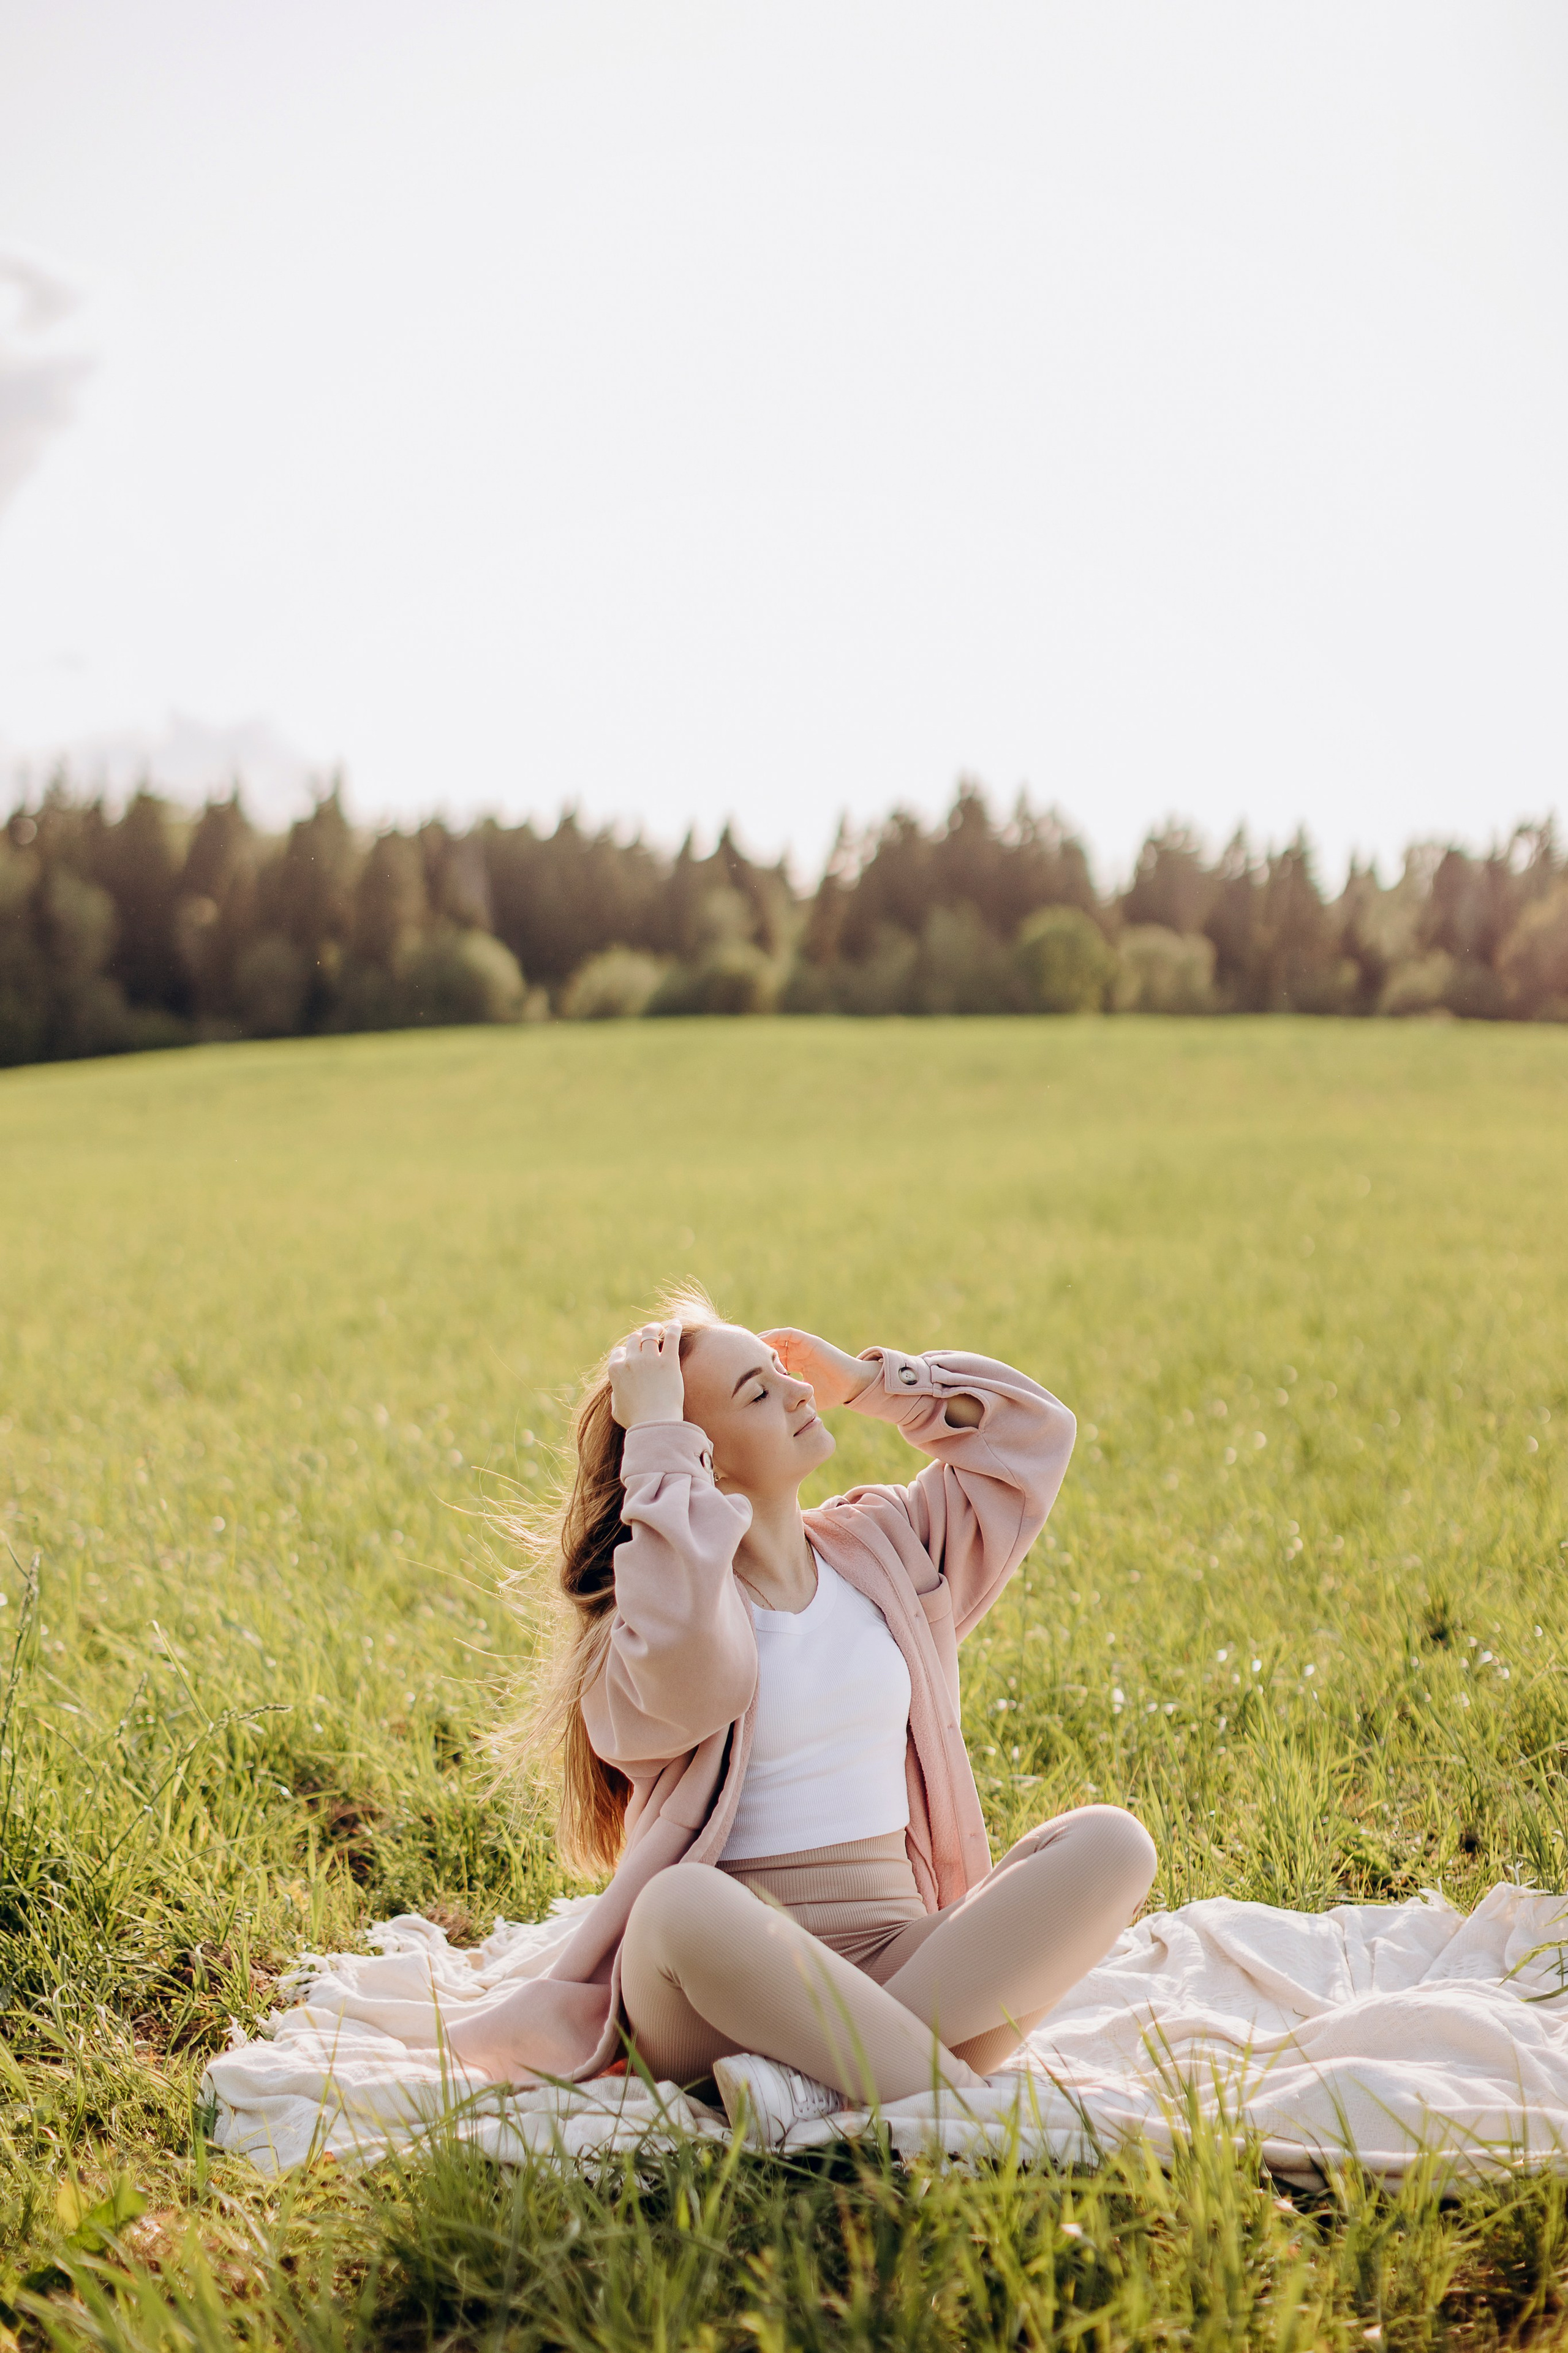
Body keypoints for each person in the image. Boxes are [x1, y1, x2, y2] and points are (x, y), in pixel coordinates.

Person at [448, 1291, 1156, 2146]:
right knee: (676, 1903)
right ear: (699, 1461)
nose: (796, 1393)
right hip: (720, 1993)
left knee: (1113, 1843)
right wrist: (659, 1448)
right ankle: (966, 2109)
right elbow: (694, 1679)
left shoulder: (886, 1550)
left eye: (782, 1373)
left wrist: (872, 1381)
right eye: (758, 1391)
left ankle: (833, 2085)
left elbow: (1030, 1441)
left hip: (900, 1951)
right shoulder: (645, 1622)